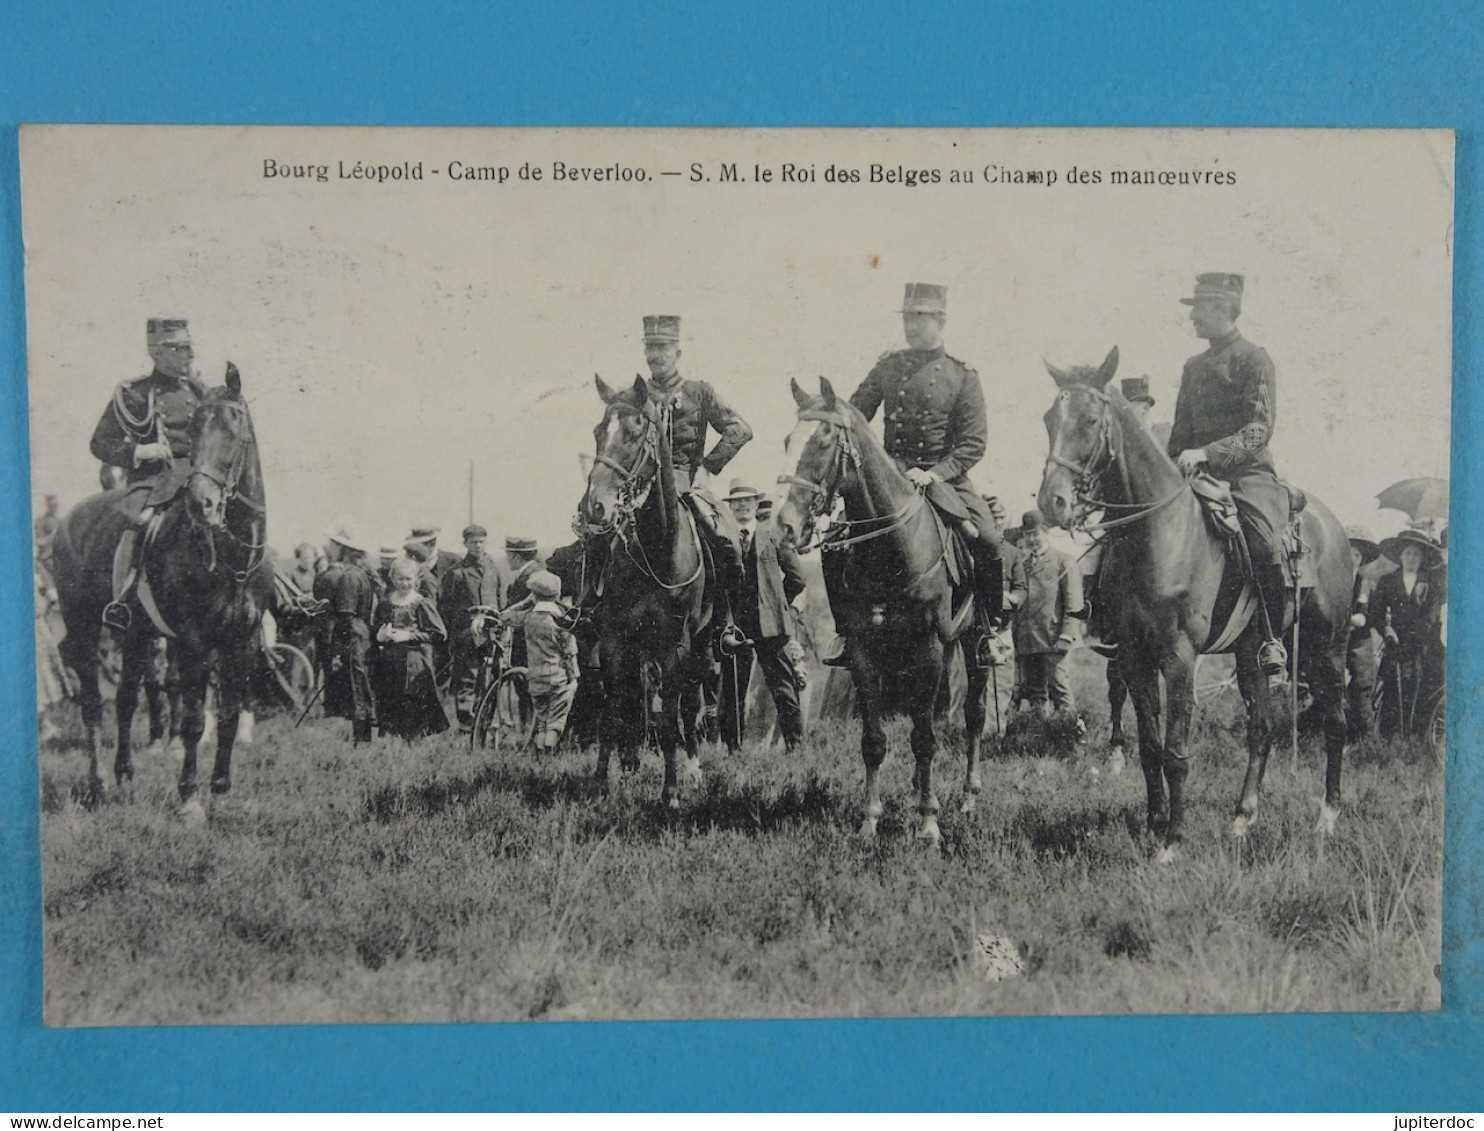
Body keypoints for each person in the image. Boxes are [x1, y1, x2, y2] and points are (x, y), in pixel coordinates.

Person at [823, 283, 1006, 665]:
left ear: (941, 321)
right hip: (893, 479)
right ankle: (844, 633)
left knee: (987, 539)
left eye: (919, 318)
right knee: (835, 540)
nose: (911, 326)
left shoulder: (963, 374)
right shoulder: (888, 366)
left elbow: (973, 442)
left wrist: (936, 473)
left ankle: (989, 632)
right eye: (907, 317)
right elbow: (855, 415)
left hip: (944, 479)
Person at [576, 315, 754, 651]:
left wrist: (708, 468)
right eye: (651, 347)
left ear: (677, 351)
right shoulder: (634, 395)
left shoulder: (700, 392)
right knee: (594, 530)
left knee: (725, 540)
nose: (656, 355)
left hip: (686, 483)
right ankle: (589, 608)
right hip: (637, 485)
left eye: (663, 347)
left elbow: (740, 429)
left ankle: (725, 626)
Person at [1166, 273, 1289, 678]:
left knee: (1265, 542)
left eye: (1198, 309)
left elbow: (1259, 428)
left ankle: (1272, 638)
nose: (1193, 319)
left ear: (1221, 308)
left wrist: (1208, 453)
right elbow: (1179, 432)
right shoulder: (1191, 365)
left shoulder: (1255, 358)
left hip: (1245, 475)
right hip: (1193, 473)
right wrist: (1170, 467)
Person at [89, 318, 208, 630]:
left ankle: (275, 595)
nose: (190, 355)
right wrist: (140, 451)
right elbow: (100, 443)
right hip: (154, 479)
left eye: (189, 347)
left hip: (197, 476)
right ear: (158, 352)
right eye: (181, 348)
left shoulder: (199, 391)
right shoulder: (134, 393)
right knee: (140, 525)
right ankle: (123, 600)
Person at [716, 479, 808, 754]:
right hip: (735, 627)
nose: (742, 505)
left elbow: (798, 579)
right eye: (737, 502)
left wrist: (778, 605)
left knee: (783, 686)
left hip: (771, 625)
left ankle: (796, 746)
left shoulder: (773, 534)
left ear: (756, 504)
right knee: (733, 689)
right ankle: (733, 750)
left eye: (747, 500)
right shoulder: (722, 539)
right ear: (730, 507)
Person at [1370, 527, 1446, 738]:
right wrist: (1386, 630)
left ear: (1422, 558)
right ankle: (1389, 735)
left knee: (1421, 688)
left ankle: (1417, 736)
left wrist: (1416, 639)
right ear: (1400, 556)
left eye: (1416, 554)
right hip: (1394, 643)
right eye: (1408, 553)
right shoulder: (1387, 580)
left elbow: (1432, 615)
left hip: (1422, 645)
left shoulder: (1430, 583)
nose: (1412, 558)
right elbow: (1375, 612)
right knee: (1393, 688)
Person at [1011, 509, 1084, 718]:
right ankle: (1042, 739)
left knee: (1060, 690)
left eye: (1035, 533)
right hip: (1029, 641)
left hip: (1054, 639)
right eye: (1027, 535)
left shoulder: (1064, 561)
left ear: (1045, 532)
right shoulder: (1022, 566)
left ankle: (1071, 740)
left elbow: (1074, 605)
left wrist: (1066, 635)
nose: (1032, 539)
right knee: (1035, 694)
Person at [372, 557, 451, 741]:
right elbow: (377, 627)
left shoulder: (420, 602)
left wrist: (410, 636)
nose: (405, 583)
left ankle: (414, 743)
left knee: (413, 703)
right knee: (393, 701)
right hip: (391, 662)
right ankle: (397, 743)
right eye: (400, 579)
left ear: (416, 580)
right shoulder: (387, 602)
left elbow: (439, 633)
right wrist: (380, 636)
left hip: (415, 662)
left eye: (408, 579)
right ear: (392, 579)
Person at [500, 571, 580, 752]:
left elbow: (505, 615)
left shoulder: (528, 618)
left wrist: (526, 602)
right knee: (555, 722)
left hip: (535, 679)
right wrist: (574, 677)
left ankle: (540, 756)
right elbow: (570, 651)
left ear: (533, 596)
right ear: (557, 595)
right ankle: (548, 755)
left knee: (543, 721)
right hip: (556, 677)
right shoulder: (561, 621)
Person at [441, 523, 505, 725]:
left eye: (481, 542)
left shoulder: (492, 567)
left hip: (491, 631)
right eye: (473, 542)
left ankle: (484, 718)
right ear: (465, 544)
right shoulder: (457, 572)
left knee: (489, 676)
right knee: (468, 676)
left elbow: (498, 597)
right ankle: (466, 722)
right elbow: (447, 608)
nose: (478, 546)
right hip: (467, 633)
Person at [322, 524, 378, 745]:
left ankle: (361, 742)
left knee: (356, 687)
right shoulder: (361, 573)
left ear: (342, 548)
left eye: (333, 544)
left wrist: (337, 650)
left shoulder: (348, 577)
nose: (328, 548)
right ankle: (363, 740)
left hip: (352, 636)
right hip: (361, 633)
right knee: (361, 685)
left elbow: (345, 616)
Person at [1344, 524, 1383, 741]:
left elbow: (1365, 616)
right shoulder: (1332, 582)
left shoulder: (1365, 583)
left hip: (1360, 640)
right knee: (1330, 684)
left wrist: (1353, 620)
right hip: (1337, 640)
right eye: (1348, 553)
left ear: (1362, 559)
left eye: (1357, 555)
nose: (1352, 558)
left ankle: (1367, 738)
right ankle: (1319, 729)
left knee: (1362, 684)